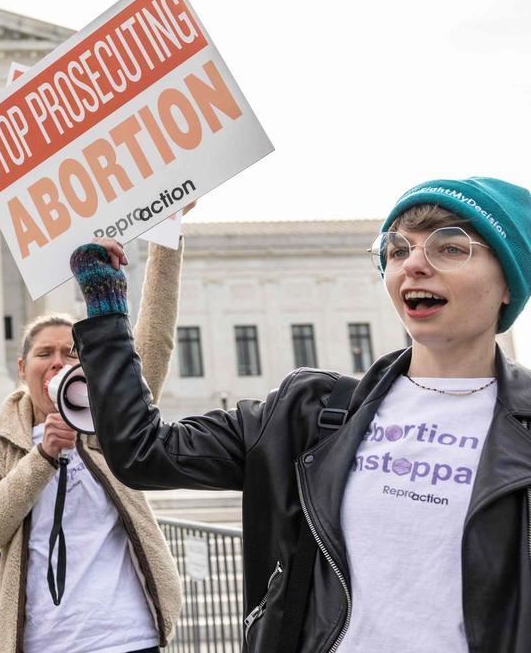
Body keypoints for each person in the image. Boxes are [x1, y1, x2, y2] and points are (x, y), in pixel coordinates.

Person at [69, 177, 531, 653]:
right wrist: (105, 310)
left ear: (508, 284)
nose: (413, 264)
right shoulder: (311, 412)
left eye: (450, 249)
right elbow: (142, 452)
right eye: (397, 250)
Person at [0, 243, 185, 653]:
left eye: (71, 353)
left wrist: (166, 242)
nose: (58, 362)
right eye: (44, 353)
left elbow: (153, 342)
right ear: (21, 367)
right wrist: (42, 458)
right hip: (44, 641)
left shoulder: (110, 422)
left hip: (127, 636)